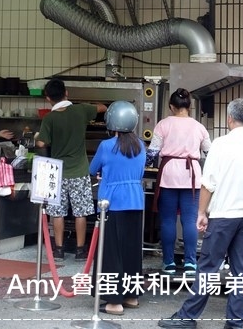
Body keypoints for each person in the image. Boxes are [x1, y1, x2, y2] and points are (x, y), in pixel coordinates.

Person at [158, 98, 243, 329]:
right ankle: (236, 322)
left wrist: (201, 212)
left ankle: (187, 317)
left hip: (223, 216)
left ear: (229, 119)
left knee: (208, 268)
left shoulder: (221, 145)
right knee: (241, 271)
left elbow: (208, 184)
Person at [35, 79, 107, 261]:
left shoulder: (49, 118)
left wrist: (40, 137)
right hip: (79, 171)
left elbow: (41, 143)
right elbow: (102, 107)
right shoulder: (80, 110)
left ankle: (58, 249)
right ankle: (80, 249)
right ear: (66, 92)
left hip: (56, 172)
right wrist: (92, 107)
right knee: (80, 212)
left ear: (48, 98)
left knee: (57, 213)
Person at [88, 101, 146, 316]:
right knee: (131, 251)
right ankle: (131, 296)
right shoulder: (141, 146)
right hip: (136, 202)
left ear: (111, 121)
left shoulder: (106, 146)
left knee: (111, 253)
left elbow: (92, 168)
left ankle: (114, 302)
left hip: (111, 204)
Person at [148, 87, 211, 275]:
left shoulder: (163, 124)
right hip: (192, 177)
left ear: (171, 106)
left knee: (167, 221)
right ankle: (191, 262)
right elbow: (210, 152)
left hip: (168, 176)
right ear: (189, 107)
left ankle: (168, 263)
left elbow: (152, 153)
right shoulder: (199, 127)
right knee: (190, 221)